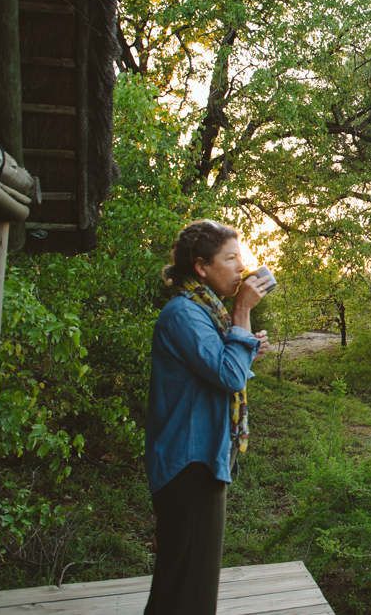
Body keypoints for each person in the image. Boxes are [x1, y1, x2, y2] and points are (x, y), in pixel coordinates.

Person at [144, 220, 270, 614]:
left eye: (241, 257)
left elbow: (222, 368)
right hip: (188, 460)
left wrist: (246, 343)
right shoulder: (184, 313)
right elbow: (230, 376)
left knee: (182, 581)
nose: (241, 267)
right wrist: (243, 310)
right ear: (202, 267)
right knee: (189, 588)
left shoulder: (205, 311)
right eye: (231, 258)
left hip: (202, 457)